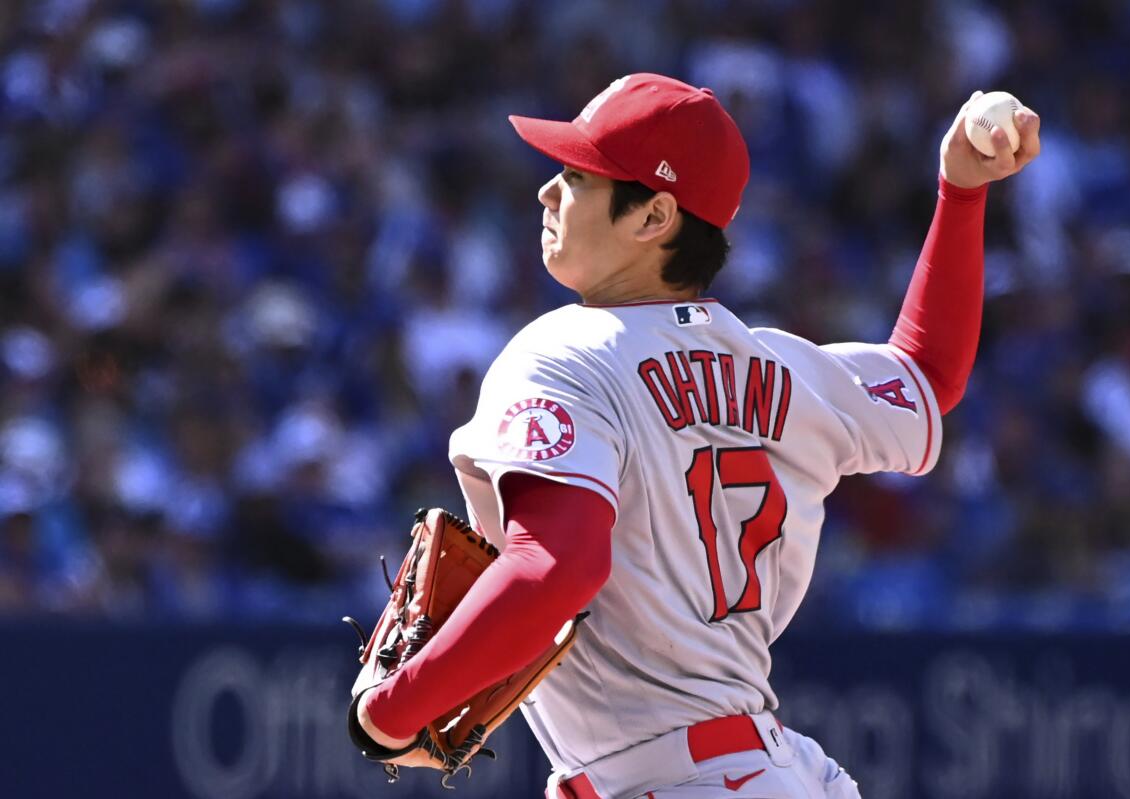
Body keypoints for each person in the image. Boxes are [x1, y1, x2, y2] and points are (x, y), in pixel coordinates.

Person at [352, 73, 1041, 798]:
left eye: (578, 177)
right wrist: (960, 192)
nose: (547, 193)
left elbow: (557, 566)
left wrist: (388, 714)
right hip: (769, 770)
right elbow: (927, 374)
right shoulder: (782, 367)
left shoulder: (566, 351)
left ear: (654, 217)